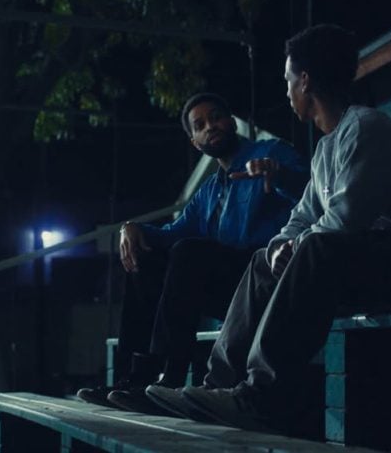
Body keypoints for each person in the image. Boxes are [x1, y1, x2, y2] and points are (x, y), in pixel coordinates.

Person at [145, 25, 391, 432]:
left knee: (316, 249)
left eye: (288, 80)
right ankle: (217, 386)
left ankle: (259, 397)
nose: (286, 91)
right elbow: (302, 218)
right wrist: (280, 247)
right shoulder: (326, 148)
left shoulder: (367, 129)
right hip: (377, 260)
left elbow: (345, 219)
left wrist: (297, 245)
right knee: (263, 261)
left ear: (305, 81)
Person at [76, 93, 309, 416]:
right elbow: (171, 235)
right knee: (146, 258)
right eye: (200, 125)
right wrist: (132, 228)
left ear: (230, 121)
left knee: (191, 253)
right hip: (225, 286)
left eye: (216, 117)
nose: (211, 126)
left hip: (264, 277)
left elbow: (312, 190)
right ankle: (134, 377)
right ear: (195, 142)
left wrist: (279, 174)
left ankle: (169, 379)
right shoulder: (208, 191)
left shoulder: (271, 153)